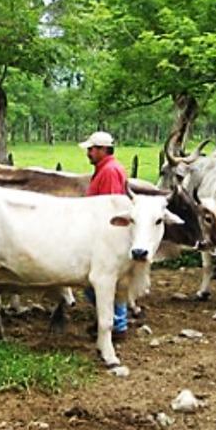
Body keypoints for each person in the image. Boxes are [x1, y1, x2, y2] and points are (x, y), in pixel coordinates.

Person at [79, 131, 129, 338]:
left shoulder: (109, 171)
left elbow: (110, 207)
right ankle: (113, 320)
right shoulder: (106, 169)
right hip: (102, 233)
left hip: (106, 235)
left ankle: (117, 324)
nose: (88, 153)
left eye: (92, 149)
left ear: (103, 150)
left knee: (100, 282)